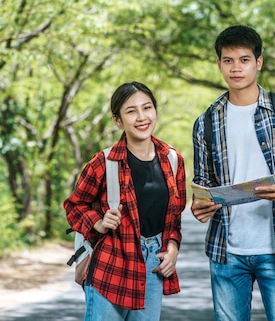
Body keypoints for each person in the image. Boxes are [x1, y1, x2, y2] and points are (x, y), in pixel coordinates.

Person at [191, 25, 275, 321]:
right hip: (227, 251)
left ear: (259, 62)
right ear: (219, 65)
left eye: (244, 59)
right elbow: (202, 185)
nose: (236, 68)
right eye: (228, 60)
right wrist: (199, 205)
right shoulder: (206, 122)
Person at [64, 81, 187, 321]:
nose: (142, 117)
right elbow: (74, 205)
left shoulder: (172, 159)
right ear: (118, 120)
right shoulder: (104, 162)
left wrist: (172, 249)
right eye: (131, 111)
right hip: (111, 264)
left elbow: (174, 218)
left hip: (153, 267)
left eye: (147, 108)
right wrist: (98, 223)